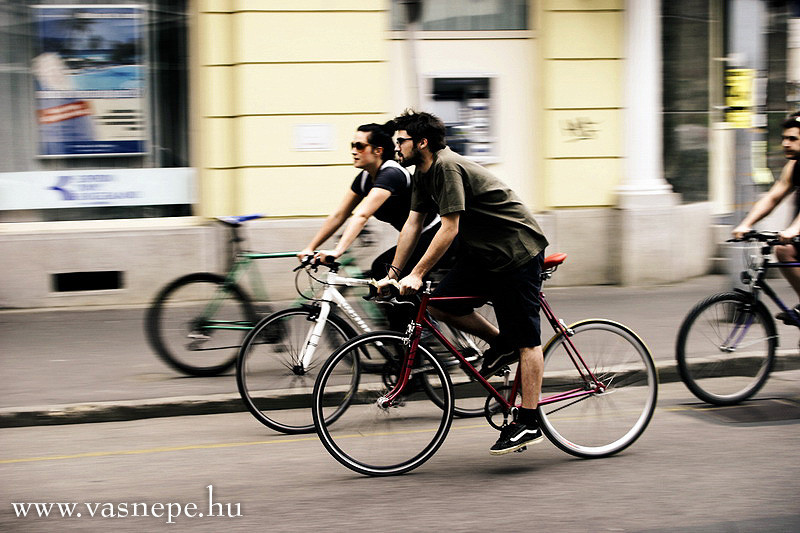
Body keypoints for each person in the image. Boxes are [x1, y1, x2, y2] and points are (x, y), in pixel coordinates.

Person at [377, 110, 549, 455]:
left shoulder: (446, 167)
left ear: (421, 143)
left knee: (528, 340)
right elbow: (413, 226)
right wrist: (394, 274)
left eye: (401, 141)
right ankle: (503, 346)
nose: (396, 147)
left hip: (516, 251)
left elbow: (449, 227)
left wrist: (418, 273)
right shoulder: (423, 173)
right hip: (483, 253)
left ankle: (529, 421)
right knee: (442, 304)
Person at [298, 122, 453, 329]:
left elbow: (362, 215)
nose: (354, 151)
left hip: (433, 233)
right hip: (414, 236)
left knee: (385, 271)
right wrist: (310, 246)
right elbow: (339, 215)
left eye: (360, 146)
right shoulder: (364, 179)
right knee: (383, 274)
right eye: (352, 145)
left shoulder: (392, 173)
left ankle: (415, 336)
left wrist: (338, 251)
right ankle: (406, 334)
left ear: (378, 150)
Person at [732, 111, 800, 322]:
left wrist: (793, 230)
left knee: (785, 248)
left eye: (793, 139)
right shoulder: (793, 166)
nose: (785, 144)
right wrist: (746, 224)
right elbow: (772, 197)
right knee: (784, 251)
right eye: (784, 138)